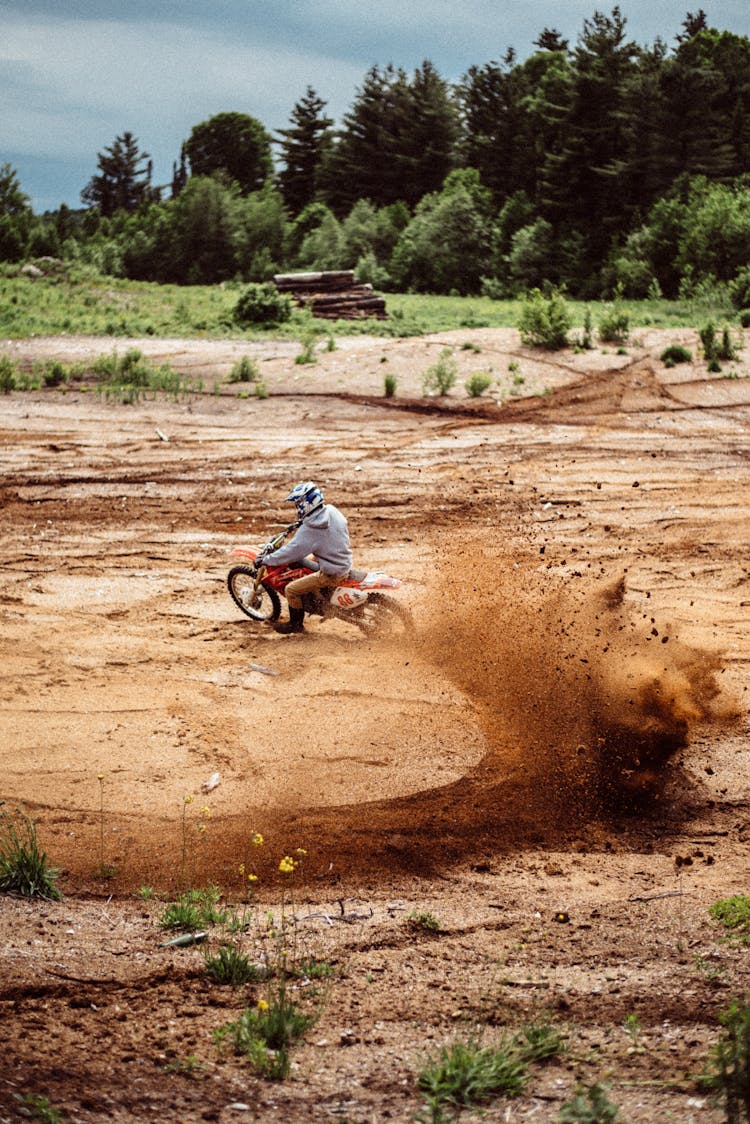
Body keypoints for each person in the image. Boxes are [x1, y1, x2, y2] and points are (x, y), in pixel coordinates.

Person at [261, 481, 353, 634]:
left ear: (307, 503)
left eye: (298, 503)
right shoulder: (331, 510)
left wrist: (266, 560)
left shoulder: (311, 530)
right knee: (310, 560)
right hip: (341, 558)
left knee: (291, 589)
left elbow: (291, 552)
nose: (297, 507)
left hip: (332, 573)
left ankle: (295, 624)